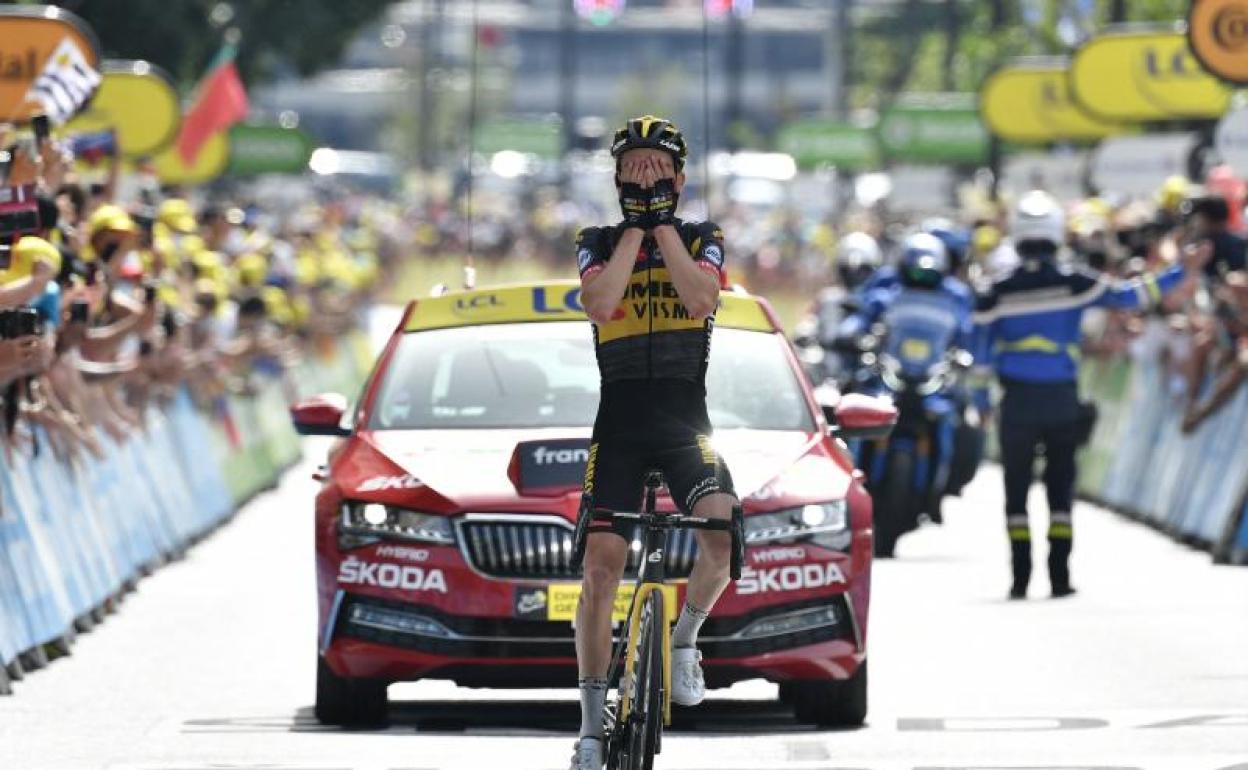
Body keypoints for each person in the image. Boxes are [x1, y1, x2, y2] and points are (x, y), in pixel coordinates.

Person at [569, 116, 738, 770]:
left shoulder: (703, 236)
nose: (643, 176)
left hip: (683, 420)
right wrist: (636, 227)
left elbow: (700, 300)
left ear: (679, 177)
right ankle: (588, 726)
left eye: (655, 167)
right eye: (632, 167)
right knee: (601, 567)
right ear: (615, 178)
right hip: (620, 424)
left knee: (721, 536)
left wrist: (664, 223)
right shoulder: (597, 240)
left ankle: (686, 637)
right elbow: (601, 304)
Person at [973, 191, 1201, 600]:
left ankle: (1020, 577)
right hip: (1061, 400)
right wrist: (1180, 272)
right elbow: (1132, 295)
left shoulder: (996, 291)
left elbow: (981, 358)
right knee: (1060, 490)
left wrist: (982, 404)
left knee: (1017, 493)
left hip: (1018, 404)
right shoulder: (1074, 282)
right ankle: (1059, 578)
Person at [837, 233, 976, 525]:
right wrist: (854, 335)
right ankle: (844, 484)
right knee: (845, 405)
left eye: (928, 272)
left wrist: (967, 355)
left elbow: (967, 335)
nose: (920, 277)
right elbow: (862, 317)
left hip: (932, 381)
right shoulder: (885, 287)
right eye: (914, 270)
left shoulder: (955, 296)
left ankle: (942, 490)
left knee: (965, 421)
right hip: (887, 377)